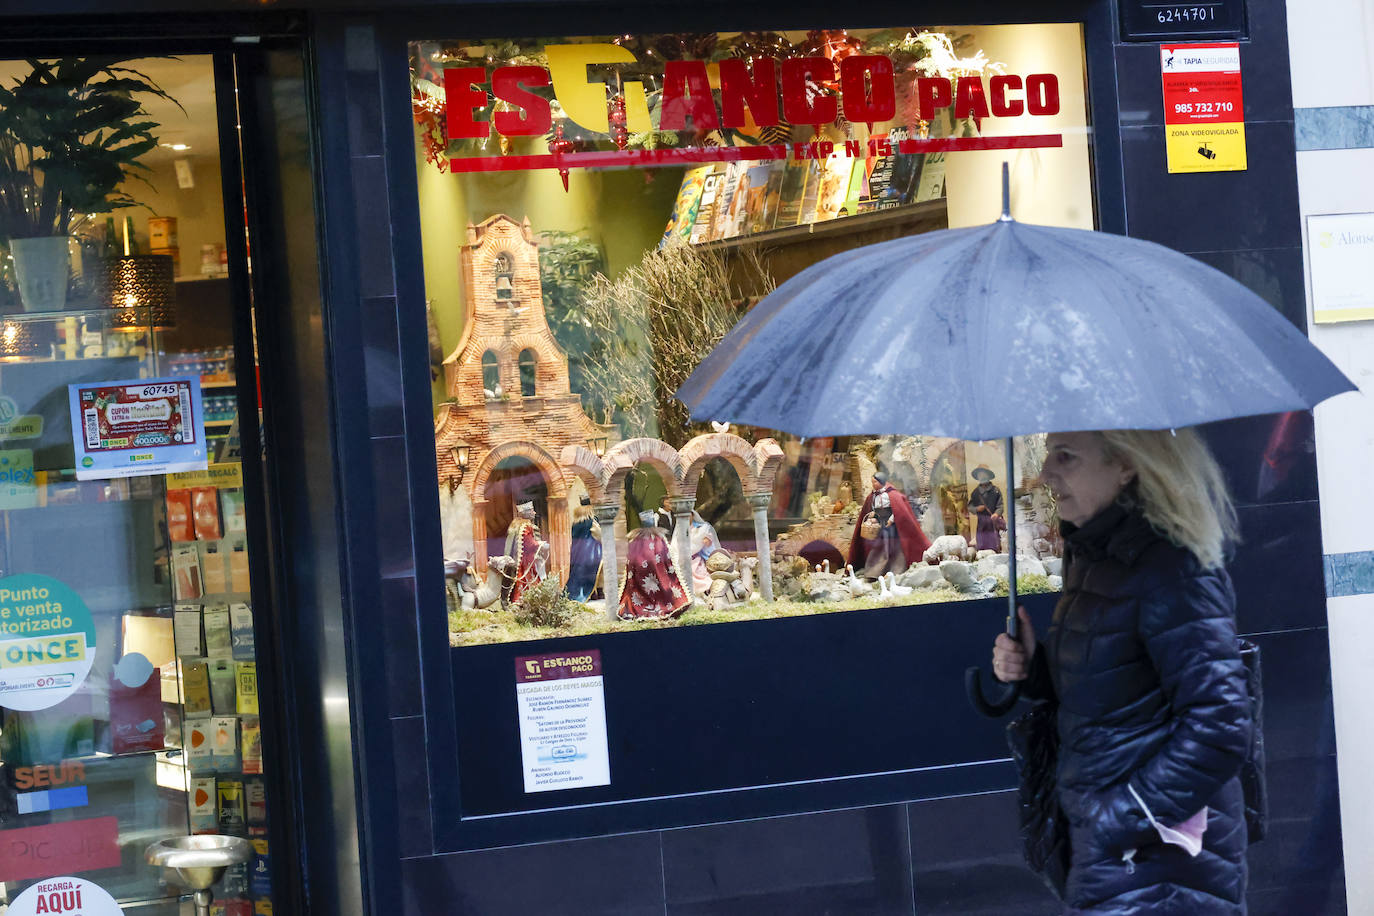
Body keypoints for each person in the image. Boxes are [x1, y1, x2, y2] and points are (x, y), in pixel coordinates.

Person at [992, 429, 1251, 914]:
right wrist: (1036, 672)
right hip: (1115, 851)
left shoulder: (1172, 568)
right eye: (1049, 454)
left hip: (1161, 864)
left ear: (1126, 465)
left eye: (1065, 457)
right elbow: (1118, 692)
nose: (1047, 472)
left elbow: (1221, 726)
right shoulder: (1097, 557)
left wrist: (1117, 819)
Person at [848, 470, 931, 580]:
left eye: (876, 482)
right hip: (879, 525)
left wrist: (891, 520)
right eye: (872, 482)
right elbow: (872, 509)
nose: (873, 485)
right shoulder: (872, 496)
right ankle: (875, 571)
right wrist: (873, 515)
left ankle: (895, 569)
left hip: (890, 525)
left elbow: (898, 511)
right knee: (878, 547)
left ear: (882, 482)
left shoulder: (892, 495)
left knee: (893, 547)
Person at [617, 510, 691, 620]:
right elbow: (666, 557)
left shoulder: (637, 540)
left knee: (644, 587)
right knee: (658, 585)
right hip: (654, 570)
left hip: (642, 571)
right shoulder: (659, 539)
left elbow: (631, 560)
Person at [503, 501, 548, 604]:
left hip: (521, 558)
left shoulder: (516, 525)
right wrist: (540, 544)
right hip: (526, 560)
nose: (535, 513)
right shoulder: (525, 526)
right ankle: (523, 601)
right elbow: (529, 544)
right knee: (526, 580)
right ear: (527, 513)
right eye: (532, 510)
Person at [566, 496, 602, 602]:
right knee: (592, 573)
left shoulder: (576, 521)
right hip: (591, 550)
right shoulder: (592, 519)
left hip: (576, 551)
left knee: (576, 572)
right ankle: (594, 593)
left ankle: (576, 594)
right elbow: (598, 533)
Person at [967, 464, 1005, 551]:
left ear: (988, 476)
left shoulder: (995, 491)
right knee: (981, 545)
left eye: (984, 474)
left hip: (993, 523)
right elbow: (970, 507)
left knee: (994, 544)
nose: (982, 476)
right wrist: (977, 509)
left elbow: (1000, 505)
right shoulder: (975, 493)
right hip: (981, 524)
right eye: (980, 475)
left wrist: (996, 514)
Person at [687, 510, 720, 597]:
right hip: (689, 556)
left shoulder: (702, 528)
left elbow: (706, 541)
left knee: (697, 569)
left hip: (701, 556)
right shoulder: (683, 529)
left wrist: (704, 540)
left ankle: (707, 587)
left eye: (689, 515)